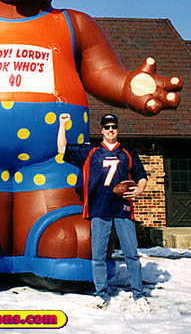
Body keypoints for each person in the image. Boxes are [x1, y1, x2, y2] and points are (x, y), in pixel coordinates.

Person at [57, 112, 151, 311]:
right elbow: (62, 148)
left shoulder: (127, 153)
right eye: (107, 127)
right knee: (98, 255)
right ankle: (100, 294)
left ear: (117, 129)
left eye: (113, 127)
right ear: (101, 130)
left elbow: (141, 176)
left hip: (122, 208)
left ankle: (138, 294)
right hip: (99, 208)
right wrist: (62, 124)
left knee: (131, 254)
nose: (110, 130)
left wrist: (140, 188)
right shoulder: (91, 151)